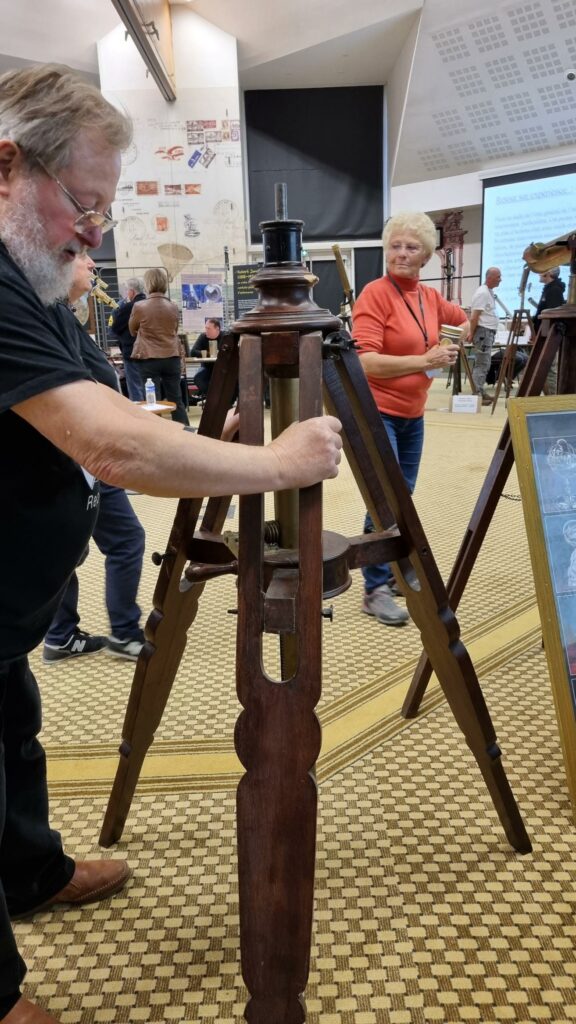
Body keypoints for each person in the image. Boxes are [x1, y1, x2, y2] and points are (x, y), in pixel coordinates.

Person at [0, 62, 342, 1024]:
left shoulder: (35, 290)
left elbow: (106, 407)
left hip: (8, 604)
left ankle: (29, 871)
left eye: (103, 215)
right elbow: (107, 445)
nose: (92, 234)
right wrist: (278, 466)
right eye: (83, 206)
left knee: (13, 736)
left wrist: (215, 449)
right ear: (7, 167)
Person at [353, 211, 468, 626]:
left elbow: (462, 321)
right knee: (385, 497)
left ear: (426, 256)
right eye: (395, 246)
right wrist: (426, 359)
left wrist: (453, 341)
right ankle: (375, 587)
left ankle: (395, 571)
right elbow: (364, 362)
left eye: (411, 247)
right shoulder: (374, 294)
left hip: (412, 413)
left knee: (405, 494)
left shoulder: (429, 298)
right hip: (377, 412)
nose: (401, 254)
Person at [43, 254, 146, 664]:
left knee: (73, 547)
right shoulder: (50, 317)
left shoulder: (62, 316)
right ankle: (121, 632)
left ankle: (62, 634)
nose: (90, 260)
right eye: (77, 254)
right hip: (81, 455)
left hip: (86, 454)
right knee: (121, 540)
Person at [128, 267, 190, 424]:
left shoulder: (139, 307)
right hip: (172, 357)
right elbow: (174, 330)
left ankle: (157, 434)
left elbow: (132, 330)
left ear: (148, 284)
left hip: (148, 358)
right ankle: (185, 432)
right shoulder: (173, 306)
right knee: (177, 399)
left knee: (152, 402)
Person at [108, 276, 146, 400]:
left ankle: (139, 415)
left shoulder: (127, 308)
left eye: (126, 290)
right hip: (152, 352)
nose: (126, 294)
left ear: (132, 291)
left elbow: (114, 329)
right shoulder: (151, 305)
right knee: (150, 386)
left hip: (132, 352)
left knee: (135, 387)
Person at [469, 267, 502, 405]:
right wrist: (471, 333)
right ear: (489, 278)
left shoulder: (489, 292)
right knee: (482, 364)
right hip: (483, 332)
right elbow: (474, 317)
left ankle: (480, 391)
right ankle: (476, 395)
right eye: (498, 277)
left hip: (487, 332)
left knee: (484, 363)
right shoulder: (482, 293)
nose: (500, 279)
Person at [533, 267, 566, 396]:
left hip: (549, 336)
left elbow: (551, 315)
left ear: (549, 273)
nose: (539, 273)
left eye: (542, 270)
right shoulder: (548, 289)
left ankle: (552, 397)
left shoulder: (554, 290)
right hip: (544, 334)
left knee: (550, 367)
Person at [190, 317, 227, 400]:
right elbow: (193, 352)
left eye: (208, 328)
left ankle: (224, 400)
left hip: (223, 368)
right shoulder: (203, 337)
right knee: (198, 378)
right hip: (207, 367)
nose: (206, 330)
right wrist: (208, 354)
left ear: (217, 329)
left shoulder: (225, 337)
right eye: (206, 328)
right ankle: (212, 398)